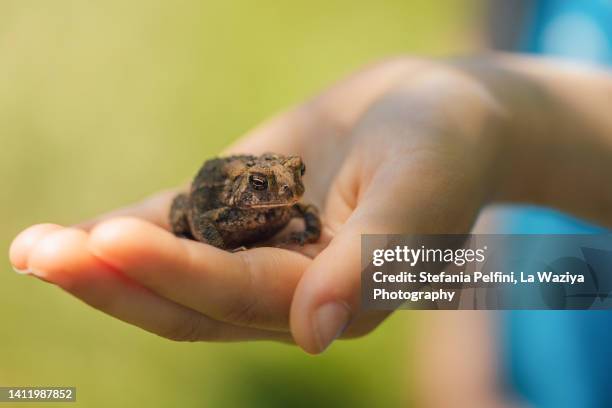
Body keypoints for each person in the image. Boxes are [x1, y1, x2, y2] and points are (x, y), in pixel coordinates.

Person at [8, 54, 612, 359]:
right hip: (209, 194)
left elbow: (307, 216)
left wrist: (490, 121)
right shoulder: (235, 204)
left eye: (295, 179)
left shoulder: (285, 205)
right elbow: (204, 218)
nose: (289, 194)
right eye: (276, 187)